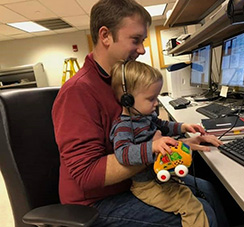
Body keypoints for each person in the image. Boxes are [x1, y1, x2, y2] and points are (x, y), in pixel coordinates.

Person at [52, 0, 229, 226]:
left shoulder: (124, 81)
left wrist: (182, 143)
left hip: (136, 181)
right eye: (135, 40)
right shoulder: (78, 92)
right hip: (97, 202)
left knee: (207, 189)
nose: (143, 49)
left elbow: (144, 131)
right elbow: (87, 175)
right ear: (105, 36)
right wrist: (155, 150)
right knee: (201, 210)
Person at [110, 60, 212, 227]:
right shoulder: (123, 127)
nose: (156, 103)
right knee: (192, 207)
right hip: (147, 186)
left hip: (161, 178)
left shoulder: (145, 117)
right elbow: (123, 153)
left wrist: (183, 127)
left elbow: (163, 125)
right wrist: (152, 146)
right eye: (151, 98)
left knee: (192, 193)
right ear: (127, 100)